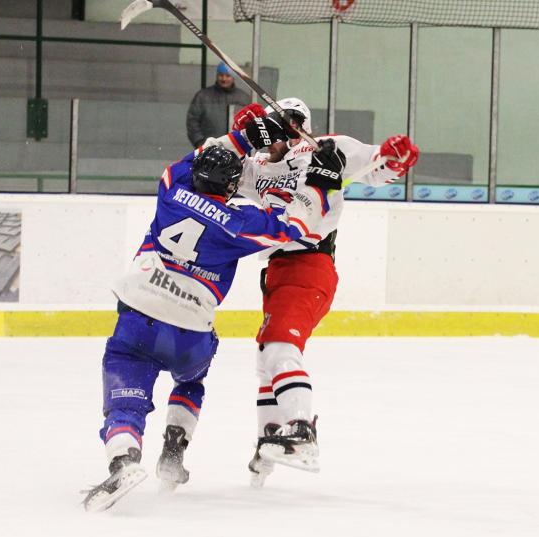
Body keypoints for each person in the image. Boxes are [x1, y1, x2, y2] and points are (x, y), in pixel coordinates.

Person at [81, 114, 343, 512]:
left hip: (138, 315)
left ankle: (123, 460)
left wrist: (244, 136)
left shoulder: (172, 188)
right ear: (233, 186)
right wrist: (321, 184)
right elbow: (295, 229)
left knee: (125, 396)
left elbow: (190, 159)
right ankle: (174, 449)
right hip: (191, 331)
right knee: (190, 381)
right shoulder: (240, 223)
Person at [228, 98, 421, 487]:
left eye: (291, 124)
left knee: (280, 348)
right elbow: (216, 170)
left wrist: (395, 156)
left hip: (310, 264)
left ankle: (302, 431)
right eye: (275, 124)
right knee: (266, 359)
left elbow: (377, 167)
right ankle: (268, 441)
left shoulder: (325, 150)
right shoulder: (258, 165)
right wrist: (240, 134)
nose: (282, 133)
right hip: (277, 271)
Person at [186, 62, 251, 148]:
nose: (224, 79)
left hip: (236, 148)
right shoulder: (203, 96)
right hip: (208, 148)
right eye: (221, 75)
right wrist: (199, 142)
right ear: (217, 76)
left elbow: (250, 124)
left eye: (227, 76)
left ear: (233, 77)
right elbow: (192, 121)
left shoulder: (243, 98)